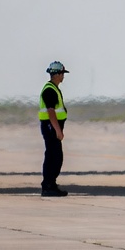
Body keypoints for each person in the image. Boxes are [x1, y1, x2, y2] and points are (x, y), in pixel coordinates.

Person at [39, 61, 69, 197]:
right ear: (56, 74)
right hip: (51, 127)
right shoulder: (50, 90)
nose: (63, 76)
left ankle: (51, 184)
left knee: (55, 156)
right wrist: (58, 131)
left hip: (52, 127)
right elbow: (51, 112)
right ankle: (48, 185)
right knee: (54, 156)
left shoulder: (53, 88)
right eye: (62, 73)